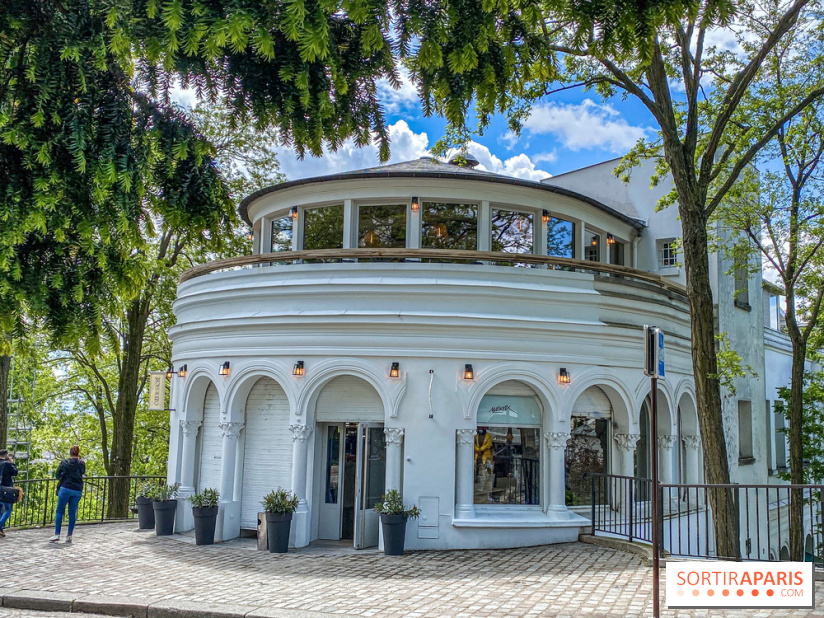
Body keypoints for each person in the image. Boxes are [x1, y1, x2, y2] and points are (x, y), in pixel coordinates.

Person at [49, 445, 85, 543]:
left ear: (70, 453)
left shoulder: (64, 463)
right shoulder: (81, 463)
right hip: (77, 489)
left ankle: (57, 534)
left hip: (65, 488)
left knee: (60, 511)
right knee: (72, 512)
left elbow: (57, 474)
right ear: (78, 453)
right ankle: (69, 536)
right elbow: (82, 472)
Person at [0, 449, 18, 537]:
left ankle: (1, 530)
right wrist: (12, 463)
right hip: (6, 489)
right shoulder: (7, 464)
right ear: (6, 455)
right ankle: (0, 525)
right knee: (8, 509)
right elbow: (15, 472)